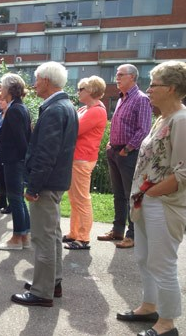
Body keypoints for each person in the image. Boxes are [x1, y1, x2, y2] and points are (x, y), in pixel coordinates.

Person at [116, 61, 186, 336]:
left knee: (162, 262)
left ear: (170, 88)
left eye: (153, 85)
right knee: (145, 258)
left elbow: (184, 171)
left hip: (165, 203)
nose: (148, 90)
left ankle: (167, 323)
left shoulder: (181, 121)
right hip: (147, 201)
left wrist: (153, 192)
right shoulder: (163, 118)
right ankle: (149, 306)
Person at [11, 61, 77, 307]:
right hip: (54, 182)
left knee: (43, 237)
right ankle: (52, 282)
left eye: (37, 79)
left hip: (46, 184)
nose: (34, 83)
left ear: (47, 81)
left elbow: (46, 153)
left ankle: (42, 291)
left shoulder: (55, 109)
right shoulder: (63, 105)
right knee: (53, 234)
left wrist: (33, 187)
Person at [97, 64, 152, 249]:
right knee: (118, 194)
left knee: (131, 195)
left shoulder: (141, 99)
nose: (117, 77)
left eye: (121, 75)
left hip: (128, 154)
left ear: (133, 77)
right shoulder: (121, 98)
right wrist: (111, 144)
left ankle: (133, 234)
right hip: (115, 151)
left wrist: (127, 149)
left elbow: (144, 129)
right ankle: (117, 230)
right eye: (117, 74)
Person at [63, 76, 108, 250]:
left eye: (81, 89)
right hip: (77, 158)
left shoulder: (96, 111)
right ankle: (74, 233)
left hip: (83, 159)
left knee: (81, 199)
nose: (78, 92)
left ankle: (83, 238)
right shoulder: (85, 108)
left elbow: (74, 129)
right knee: (75, 198)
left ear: (90, 91)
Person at [0, 73, 32, 250]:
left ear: (9, 89)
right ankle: (24, 235)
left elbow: (20, 139)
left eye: (2, 86)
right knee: (18, 198)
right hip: (16, 160)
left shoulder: (15, 109)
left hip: (14, 160)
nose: (0, 90)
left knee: (15, 198)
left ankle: (17, 238)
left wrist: (23, 161)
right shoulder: (19, 107)